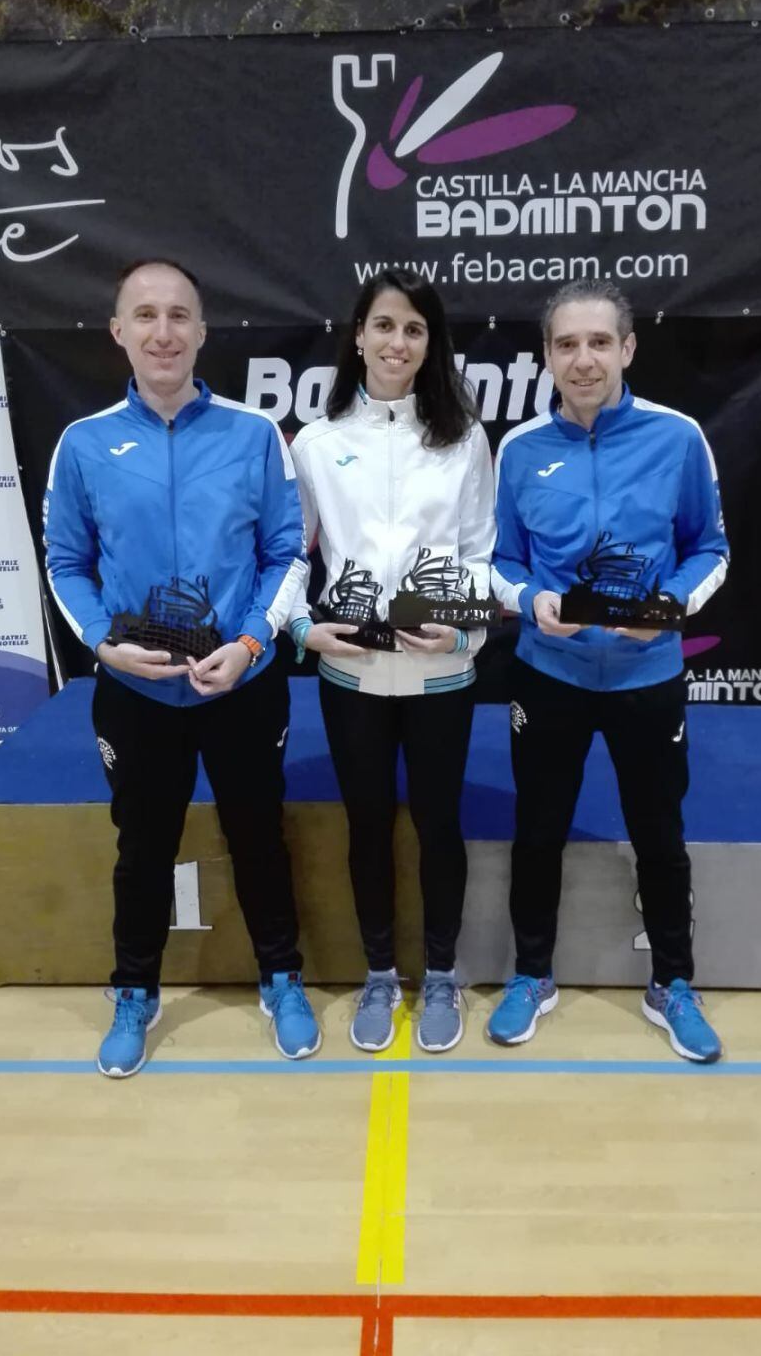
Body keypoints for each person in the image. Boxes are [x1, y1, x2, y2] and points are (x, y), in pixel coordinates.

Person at [44, 257, 319, 1075]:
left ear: (203, 331)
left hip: (239, 681)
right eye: (146, 315)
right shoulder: (84, 443)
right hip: (136, 689)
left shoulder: (252, 434)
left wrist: (247, 645)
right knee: (142, 846)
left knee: (258, 835)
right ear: (118, 331)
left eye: (179, 316)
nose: (163, 332)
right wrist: (100, 641)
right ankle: (135, 987)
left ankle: (282, 976)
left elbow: (285, 555)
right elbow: (66, 563)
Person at [488, 278, 729, 1062]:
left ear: (627, 348)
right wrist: (530, 599)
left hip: (645, 675)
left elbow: (711, 550)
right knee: (538, 828)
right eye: (566, 344)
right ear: (547, 355)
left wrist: (665, 608)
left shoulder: (677, 436)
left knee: (660, 832)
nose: (582, 359)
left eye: (599, 342)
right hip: (547, 672)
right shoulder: (520, 450)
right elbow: (500, 561)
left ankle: (674, 982)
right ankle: (532, 973)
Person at [288, 269, 496, 1053]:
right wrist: (302, 629)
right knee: (369, 824)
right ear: (357, 335)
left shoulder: (465, 435)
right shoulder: (318, 440)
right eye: (383, 325)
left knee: (440, 824)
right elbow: (289, 553)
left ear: (430, 341)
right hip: (353, 676)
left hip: (441, 672)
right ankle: (379, 972)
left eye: (413, 329)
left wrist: (464, 631)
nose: (397, 343)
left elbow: (480, 553)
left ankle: (440, 973)